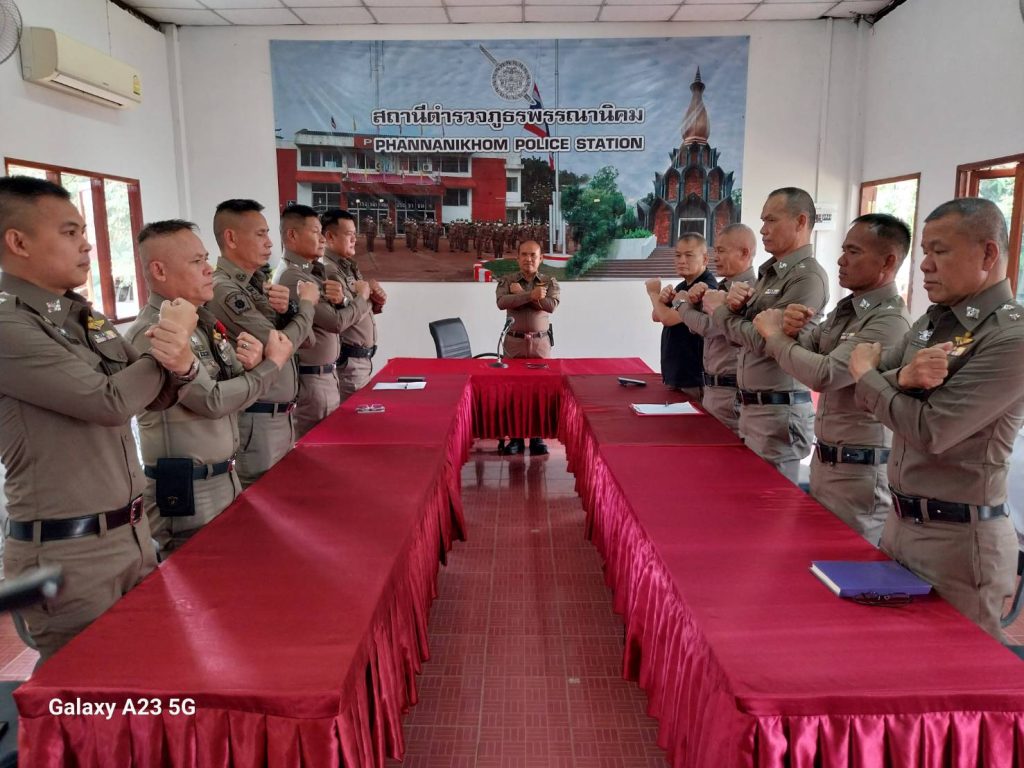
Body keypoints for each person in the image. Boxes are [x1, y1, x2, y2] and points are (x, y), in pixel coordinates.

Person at [0, 176, 196, 660]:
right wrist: (170, 343)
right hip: (68, 552)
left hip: (129, 534)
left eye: (84, 232)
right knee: (87, 694)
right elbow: (109, 401)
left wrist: (177, 360)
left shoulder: (79, 315)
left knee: (145, 674)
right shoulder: (8, 324)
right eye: (70, 233)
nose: (86, 245)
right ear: (18, 242)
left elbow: (151, 394)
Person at [849, 198, 1024, 640]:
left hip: (959, 541)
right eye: (925, 251)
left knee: (952, 671)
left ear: (988, 254)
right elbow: (864, 388)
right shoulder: (933, 320)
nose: (925, 265)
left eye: (940, 251)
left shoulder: (1011, 336)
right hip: (901, 522)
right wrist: (899, 377)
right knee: (889, 656)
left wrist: (873, 377)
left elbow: (932, 430)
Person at [128, 219, 294, 553]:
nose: (209, 269)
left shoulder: (202, 323)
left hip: (223, 477)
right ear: (159, 271)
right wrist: (271, 365)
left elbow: (234, 393)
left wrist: (252, 368)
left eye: (206, 259)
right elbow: (213, 401)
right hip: (190, 491)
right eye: (196, 262)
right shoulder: (153, 333)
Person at [753, 214, 912, 544]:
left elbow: (824, 374)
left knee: (848, 560)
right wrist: (792, 330)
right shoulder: (849, 309)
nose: (841, 260)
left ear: (888, 261)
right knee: (814, 554)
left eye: (853, 252)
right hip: (827, 462)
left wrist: (775, 335)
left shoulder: (889, 322)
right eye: (843, 250)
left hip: (859, 473)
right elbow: (808, 348)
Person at [704, 187, 828, 484]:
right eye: (763, 220)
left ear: (800, 221)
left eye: (771, 220)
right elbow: (744, 333)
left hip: (778, 412)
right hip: (753, 408)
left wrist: (720, 312)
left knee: (768, 501)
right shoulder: (771, 273)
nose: (763, 229)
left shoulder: (807, 277)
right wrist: (734, 309)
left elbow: (765, 341)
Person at [208, 199, 319, 487]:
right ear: (231, 238)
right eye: (260, 234)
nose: (270, 242)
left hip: (280, 415)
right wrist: (307, 305)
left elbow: (307, 340)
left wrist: (289, 310)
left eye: (268, 233)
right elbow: (280, 344)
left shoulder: (255, 284)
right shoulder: (225, 288)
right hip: (257, 419)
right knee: (263, 497)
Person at [274, 204, 348, 438]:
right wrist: (362, 298)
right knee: (316, 445)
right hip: (311, 379)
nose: (323, 239)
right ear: (292, 235)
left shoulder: (311, 272)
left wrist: (344, 300)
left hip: (325, 376)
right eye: (316, 232)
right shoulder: (292, 276)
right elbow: (335, 322)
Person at [676, 223, 757, 433]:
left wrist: (681, 304)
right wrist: (694, 304)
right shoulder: (721, 288)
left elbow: (708, 327)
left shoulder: (747, 290)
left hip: (730, 392)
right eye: (715, 251)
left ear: (744, 253)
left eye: (721, 251)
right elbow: (696, 327)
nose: (715, 258)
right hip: (713, 387)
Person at [495, 239, 561, 455]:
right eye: (524, 254)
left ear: (541, 258)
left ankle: (536, 438)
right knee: (513, 392)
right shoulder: (508, 280)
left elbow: (550, 306)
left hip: (540, 344)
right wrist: (530, 295)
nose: (528, 259)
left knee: (539, 393)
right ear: (518, 258)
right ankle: (515, 438)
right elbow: (502, 303)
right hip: (514, 344)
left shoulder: (549, 281)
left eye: (533, 255)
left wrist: (520, 295)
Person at [320, 209, 384, 401]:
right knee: (353, 415)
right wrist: (365, 297)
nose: (354, 239)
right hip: (349, 363)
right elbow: (344, 317)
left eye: (355, 234)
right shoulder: (329, 271)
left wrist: (375, 301)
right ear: (330, 237)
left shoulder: (346, 266)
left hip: (360, 360)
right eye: (349, 234)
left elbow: (355, 308)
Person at [645, 233, 718, 400]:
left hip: (692, 377)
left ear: (705, 259)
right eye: (678, 255)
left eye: (689, 255)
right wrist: (663, 299)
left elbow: (667, 318)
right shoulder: (683, 286)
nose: (682, 260)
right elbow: (657, 315)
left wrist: (653, 293)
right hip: (676, 373)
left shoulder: (705, 287)